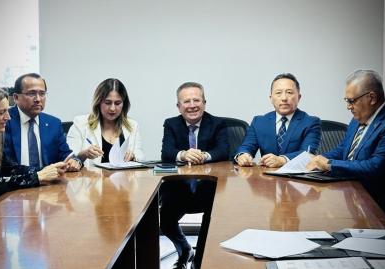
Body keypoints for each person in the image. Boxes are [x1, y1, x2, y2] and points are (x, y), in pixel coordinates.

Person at [307, 70, 385, 229]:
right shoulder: (359, 117)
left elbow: (375, 167)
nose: (348, 107)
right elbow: (342, 150)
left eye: (351, 101)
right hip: (356, 201)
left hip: (383, 215)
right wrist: (314, 160)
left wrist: (329, 164)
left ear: (371, 98)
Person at [160, 82, 229, 269]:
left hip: (207, 191)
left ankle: (200, 260)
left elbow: (223, 150)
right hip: (179, 190)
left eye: (196, 100)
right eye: (186, 101)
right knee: (164, 220)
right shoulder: (171, 124)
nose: (192, 105)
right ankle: (184, 249)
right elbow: (166, 152)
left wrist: (203, 155)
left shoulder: (217, 124)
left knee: (211, 220)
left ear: (204, 103)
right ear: (178, 106)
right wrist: (183, 154)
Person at [236, 73, 321, 167]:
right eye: (278, 93)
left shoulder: (311, 122)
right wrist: (243, 155)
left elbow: (308, 154)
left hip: (296, 178)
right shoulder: (259, 122)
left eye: (289, 92)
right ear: (271, 98)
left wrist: (283, 160)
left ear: (299, 97)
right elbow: (247, 146)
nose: (284, 98)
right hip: (266, 177)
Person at [4, 73, 81, 171]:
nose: (38, 99)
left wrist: (75, 161)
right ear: (16, 97)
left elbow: (65, 155)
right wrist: (38, 175)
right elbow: (5, 166)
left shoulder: (53, 123)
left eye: (42, 93)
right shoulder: (5, 121)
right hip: (17, 183)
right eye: (31, 93)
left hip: (49, 184)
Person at [66, 78, 144, 166]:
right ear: (98, 102)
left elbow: (140, 156)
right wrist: (84, 154)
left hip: (123, 178)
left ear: (124, 104)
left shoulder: (133, 125)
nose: (112, 108)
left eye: (117, 103)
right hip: (92, 178)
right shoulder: (80, 123)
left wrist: (133, 156)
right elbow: (68, 158)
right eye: (107, 103)